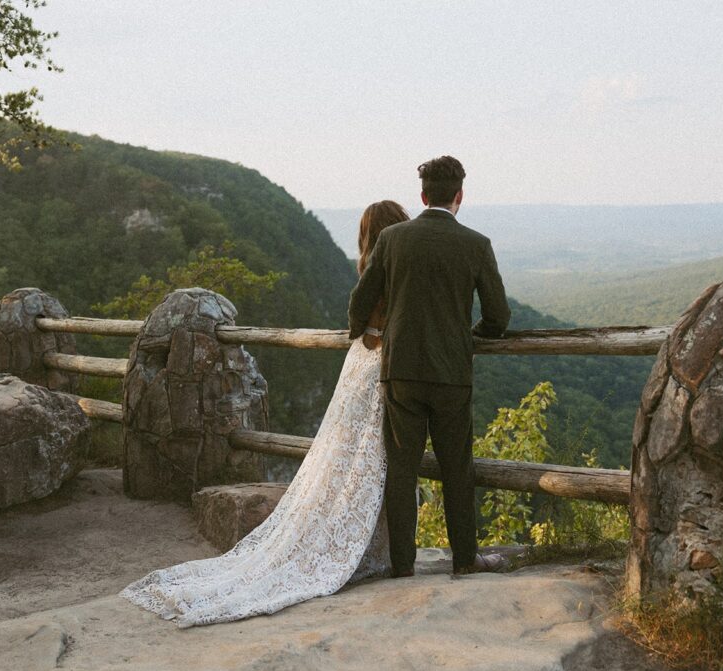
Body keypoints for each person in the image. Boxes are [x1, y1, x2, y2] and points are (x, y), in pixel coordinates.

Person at [121, 200, 410, 627]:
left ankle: (351, 541)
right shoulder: (404, 268)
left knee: (347, 457)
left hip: (361, 361)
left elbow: (356, 320)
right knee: (372, 459)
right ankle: (370, 547)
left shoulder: (371, 266)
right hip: (385, 366)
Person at [348, 155, 511, 577]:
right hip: (452, 373)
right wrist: (477, 333)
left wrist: (362, 332)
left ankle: (403, 564)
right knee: (457, 467)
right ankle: (464, 559)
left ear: (423, 196)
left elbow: (360, 302)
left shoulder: (393, 239)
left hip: (400, 368)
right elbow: (498, 315)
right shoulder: (476, 244)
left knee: (402, 470)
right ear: (460, 196)